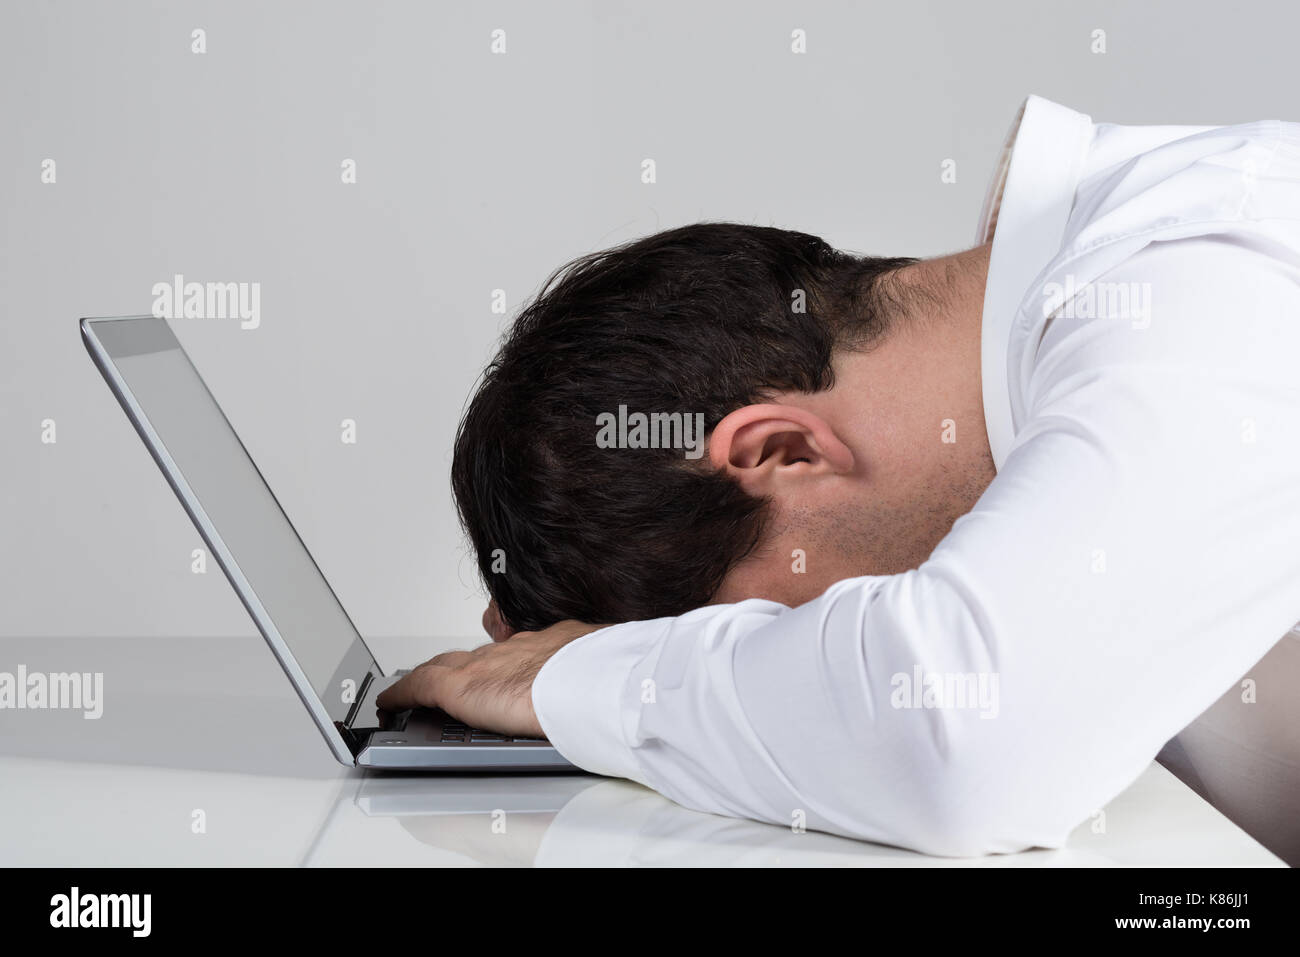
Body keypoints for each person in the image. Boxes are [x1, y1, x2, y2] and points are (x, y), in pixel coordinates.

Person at [379, 95, 1300, 857]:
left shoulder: (1197, 278)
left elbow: (969, 734)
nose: (801, 653)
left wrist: (588, 683)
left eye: (766, 628)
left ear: (781, 451)